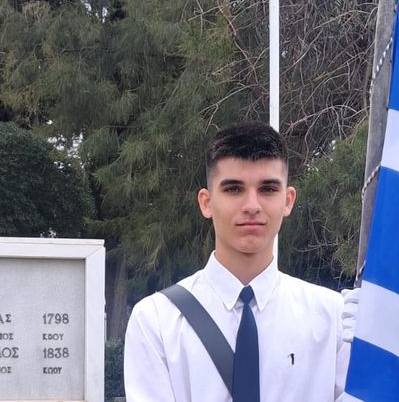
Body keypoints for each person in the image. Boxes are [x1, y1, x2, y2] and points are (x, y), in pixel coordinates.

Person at [124, 121, 351, 401]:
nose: (252, 206)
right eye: (233, 189)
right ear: (206, 202)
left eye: (268, 189)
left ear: (288, 200)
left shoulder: (333, 319)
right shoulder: (157, 320)